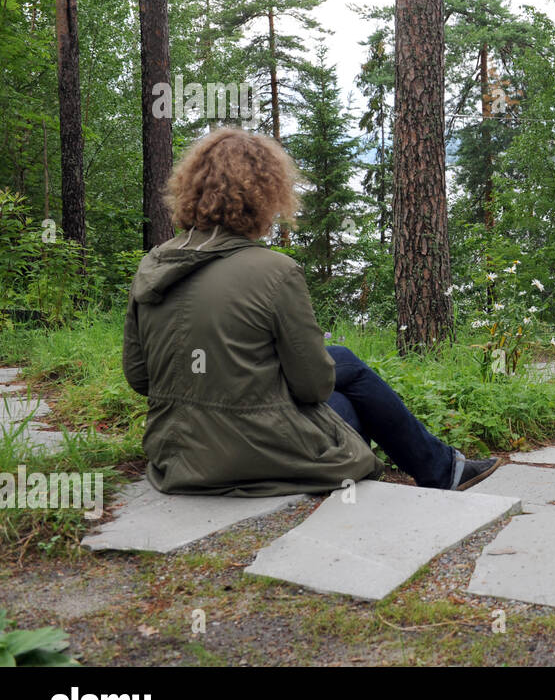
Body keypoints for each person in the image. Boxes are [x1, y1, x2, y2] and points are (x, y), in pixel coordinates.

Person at [121, 126, 499, 496]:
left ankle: (442, 468)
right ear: (266, 194)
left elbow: (140, 377)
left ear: (189, 190)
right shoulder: (274, 271)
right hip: (250, 456)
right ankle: (436, 470)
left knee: (343, 362)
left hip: (176, 456)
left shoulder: (154, 266)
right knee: (346, 393)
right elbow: (313, 385)